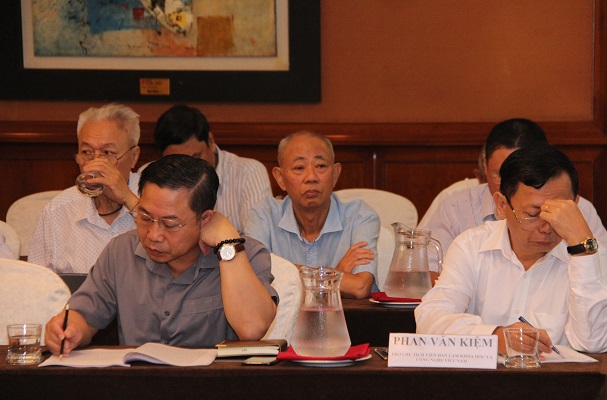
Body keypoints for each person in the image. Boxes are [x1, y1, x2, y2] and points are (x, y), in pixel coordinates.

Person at [44, 154, 277, 354]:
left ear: (205, 219)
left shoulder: (246, 255)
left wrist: (228, 243)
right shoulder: (121, 252)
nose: (153, 235)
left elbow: (251, 328)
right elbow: (84, 315)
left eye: (170, 224)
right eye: (145, 217)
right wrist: (70, 329)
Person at [415, 144, 607, 354]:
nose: (546, 228)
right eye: (533, 214)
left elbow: (594, 344)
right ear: (501, 205)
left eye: (559, 214)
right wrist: (493, 337)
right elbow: (429, 320)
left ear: (575, 206)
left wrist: (582, 249)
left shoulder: (593, 258)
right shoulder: (471, 246)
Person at [418, 118, 607, 270]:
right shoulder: (456, 211)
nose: (509, 184)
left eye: (525, 176)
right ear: (485, 165)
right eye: (500, 175)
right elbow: (424, 273)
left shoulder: (578, 210)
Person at [244, 131, 380, 299]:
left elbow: (360, 287)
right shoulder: (263, 215)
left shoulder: (360, 216)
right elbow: (252, 278)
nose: (311, 177)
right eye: (299, 168)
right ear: (280, 178)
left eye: (320, 166)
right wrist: (333, 274)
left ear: (335, 174)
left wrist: (283, 273)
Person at [29, 103, 142, 273]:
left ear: (134, 157)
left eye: (107, 153)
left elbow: (171, 245)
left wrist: (128, 198)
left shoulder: (157, 197)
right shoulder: (57, 210)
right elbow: (36, 279)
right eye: (87, 152)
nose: (95, 164)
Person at [145, 104, 272, 233]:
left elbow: (258, 239)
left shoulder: (249, 173)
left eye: (196, 157)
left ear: (210, 141)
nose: (188, 169)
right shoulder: (151, 177)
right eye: (177, 162)